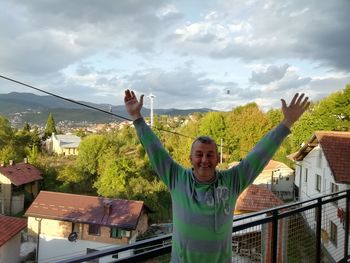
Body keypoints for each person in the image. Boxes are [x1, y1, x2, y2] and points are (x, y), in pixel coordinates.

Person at [124, 89, 310, 263]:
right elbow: (154, 149)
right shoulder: (176, 178)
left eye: (210, 154)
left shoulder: (232, 181)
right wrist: (136, 118)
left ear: (218, 159)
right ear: (190, 158)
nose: (204, 160)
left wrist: (287, 123)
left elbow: (260, 154)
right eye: (199, 154)